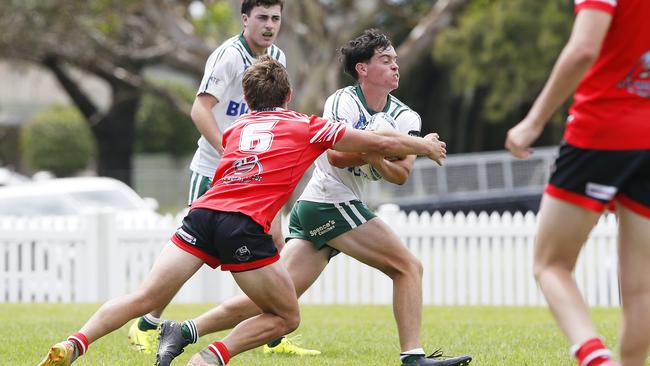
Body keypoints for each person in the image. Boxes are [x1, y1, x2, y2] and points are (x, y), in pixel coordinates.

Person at [38, 55, 448, 366]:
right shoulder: (309, 125)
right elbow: (372, 143)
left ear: (247, 100)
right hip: (241, 226)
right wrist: (424, 146)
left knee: (145, 296)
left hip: (201, 215)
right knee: (286, 317)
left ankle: (74, 343)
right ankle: (208, 358)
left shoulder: (236, 129)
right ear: (287, 95)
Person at [156, 29, 472, 366]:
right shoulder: (342, 101)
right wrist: (380, 144)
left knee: (279, 299)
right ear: (362, 69)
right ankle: (413, 357)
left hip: (327, 207)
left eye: (396, 60)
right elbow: (335, 156)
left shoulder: (407, 117)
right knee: (408, 267)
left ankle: (185, 330)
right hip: (328, 202)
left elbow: (401, 174)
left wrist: (378, 147)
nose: (396, 66)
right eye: (386, 60)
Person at [126, 0, 316, 357]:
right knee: (190, 255)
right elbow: (200, 109)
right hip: (216, 170)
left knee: (275, 243)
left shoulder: (277, 57)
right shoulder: (228, 55)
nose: (269, 25)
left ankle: (272, 332)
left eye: (276, 18)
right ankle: (148, 322)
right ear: (245, 19)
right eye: (262, 17)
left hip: (257, 174)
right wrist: (230, 151)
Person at [505, 1, 650, 366]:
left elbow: (584, 47)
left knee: (550, 264)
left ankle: (595, 358)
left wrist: (534, 121)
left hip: (600, 132)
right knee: (641, 288)